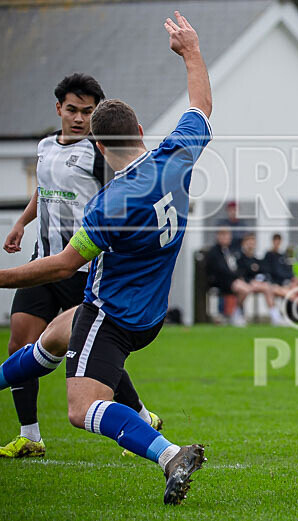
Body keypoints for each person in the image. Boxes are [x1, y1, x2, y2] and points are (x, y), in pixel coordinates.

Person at [0, 11, 211, 505]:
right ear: (139, 128)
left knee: (82, 408)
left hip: (111, 313)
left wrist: (2, 276)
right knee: (54, 335)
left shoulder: (109, 205)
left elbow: (63, 265)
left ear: (97, 143)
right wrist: (191, 51)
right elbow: (201, 104)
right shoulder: (176, 155)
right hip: (151, 312)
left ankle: (169, 454)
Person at [0, 73, 159, 458]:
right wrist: (21, 223)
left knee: (94, 353)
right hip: (44, 263)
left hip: (84, 269)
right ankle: (30, 435)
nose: (78, 118)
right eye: (72, 109)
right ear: (59, 108)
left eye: (87, 112)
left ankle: (142, 416)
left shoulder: (100, 154)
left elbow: (126, 194)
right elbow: (44, 189)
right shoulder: (44, 147)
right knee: (19, 342)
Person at [236, 233, 286, 325]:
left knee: (268, 287)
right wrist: (249, 281)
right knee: (243, 289)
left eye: (253, 243)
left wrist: (259, 280)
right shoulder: (239, 259)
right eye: (249, 243)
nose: (251, 245)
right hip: (245, 284)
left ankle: (275, 316)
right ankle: (238, 313)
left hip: (257, 285)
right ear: (244, 244)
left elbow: (264, 272)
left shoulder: (257, 260)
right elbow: (239, 274)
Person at [206, 229, 249, 326]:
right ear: (219, 237)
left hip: (230, 280)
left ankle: (235, 313)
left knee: (246, 288)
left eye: (228, 236)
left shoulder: (229, 250)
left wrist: (239, 276)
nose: (227, 238)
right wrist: (236, 277)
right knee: (244, 290)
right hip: (220, 281)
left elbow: (234, 267)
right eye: (224, 235)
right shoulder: (214, 252)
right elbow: (221, 270)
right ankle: (235, 313)